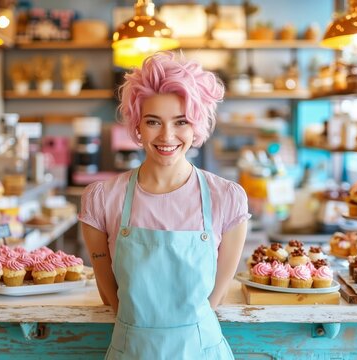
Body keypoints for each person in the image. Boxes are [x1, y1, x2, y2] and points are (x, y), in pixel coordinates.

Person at [79, 51, 250, 359]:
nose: (167, 136)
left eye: (181, 122)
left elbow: (217, 296)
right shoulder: (102, 199)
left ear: (197, 124)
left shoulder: (228, 199)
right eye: (153, 121)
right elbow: (109, 296)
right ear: (137, 125)